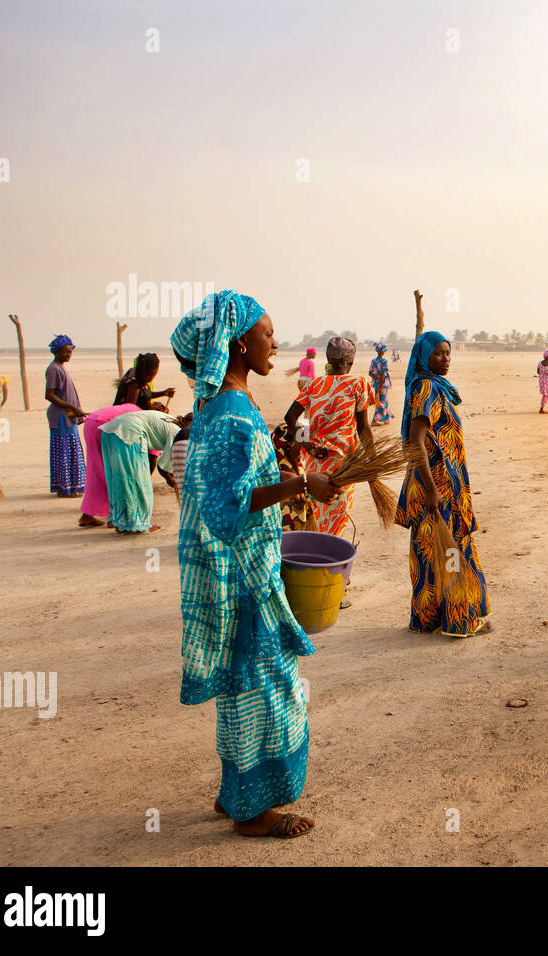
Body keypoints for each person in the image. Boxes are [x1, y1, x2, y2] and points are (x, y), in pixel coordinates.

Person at [172, 289, 336, 839]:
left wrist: (281, 469)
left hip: (242, 570)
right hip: (244, 577)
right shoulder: (234, 413)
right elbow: (228, 505)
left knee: (246, 688)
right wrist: (300, 483)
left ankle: (236, 793)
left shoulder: (218, 407)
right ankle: (255, 811)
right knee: (267, 688)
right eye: (268, 334)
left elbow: (232, 487)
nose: (276, 344)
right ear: (239, 343)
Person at [394, 331, 491, 636]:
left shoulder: (433, 386)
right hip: (439, 486)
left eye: (448, 353)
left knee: (430, 550)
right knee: (452, 551)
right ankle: (460, 620)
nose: (445, 358)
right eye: (438, 353)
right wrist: (433, 491)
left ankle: (428, 620)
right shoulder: (426, 388)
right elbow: (416, 442)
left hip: (440, 483)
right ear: (425, 357)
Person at [283, 337, 370, 537]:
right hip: (343, 465)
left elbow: (290, 417)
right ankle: (329, 561)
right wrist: (371, 460)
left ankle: (316, 561)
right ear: (351, 362)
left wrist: (308, 445)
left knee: (317, 519)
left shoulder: (314, 384)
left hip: (314, 465)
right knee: (337, 523)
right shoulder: (359, 383)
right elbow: (363, 428)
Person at [99, 409, 181, 534]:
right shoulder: (177, 432)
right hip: (130, 434)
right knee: (138, 481)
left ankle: (120, 522)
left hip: (111, 431)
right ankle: (139, 524)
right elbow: (164, 466)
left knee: (119, 480)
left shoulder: (170, 420)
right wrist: (172, 481)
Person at [77, 402, 142, 527]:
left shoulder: (134, 408)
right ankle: (115, 517)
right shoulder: (141, 418)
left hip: (91, 422)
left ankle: (87, 515)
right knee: (114, 472)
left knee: (96, 470)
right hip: (103, 425)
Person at [44, 335, 87, 498]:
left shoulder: (60, 367)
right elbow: (50, 395)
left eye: (70, 351)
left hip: (68, 416)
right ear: (57, 352)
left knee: (72, 449)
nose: (69, 354)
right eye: (65, 351)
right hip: (61, 417)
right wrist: (72, 407)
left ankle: (72, 486)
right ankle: (66, 488)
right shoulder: (53, 369)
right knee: (65, 451)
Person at [368, 342, 393, 425]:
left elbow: (370, 373)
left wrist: (376, 378)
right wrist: (380, 384)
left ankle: (386, 419)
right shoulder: (384, 361)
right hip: (382, 384)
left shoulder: (373, 361)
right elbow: (383, 374)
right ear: (382, 352)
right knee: (382, 402)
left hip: (376, 383)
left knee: (381, 401)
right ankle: (375, 420)